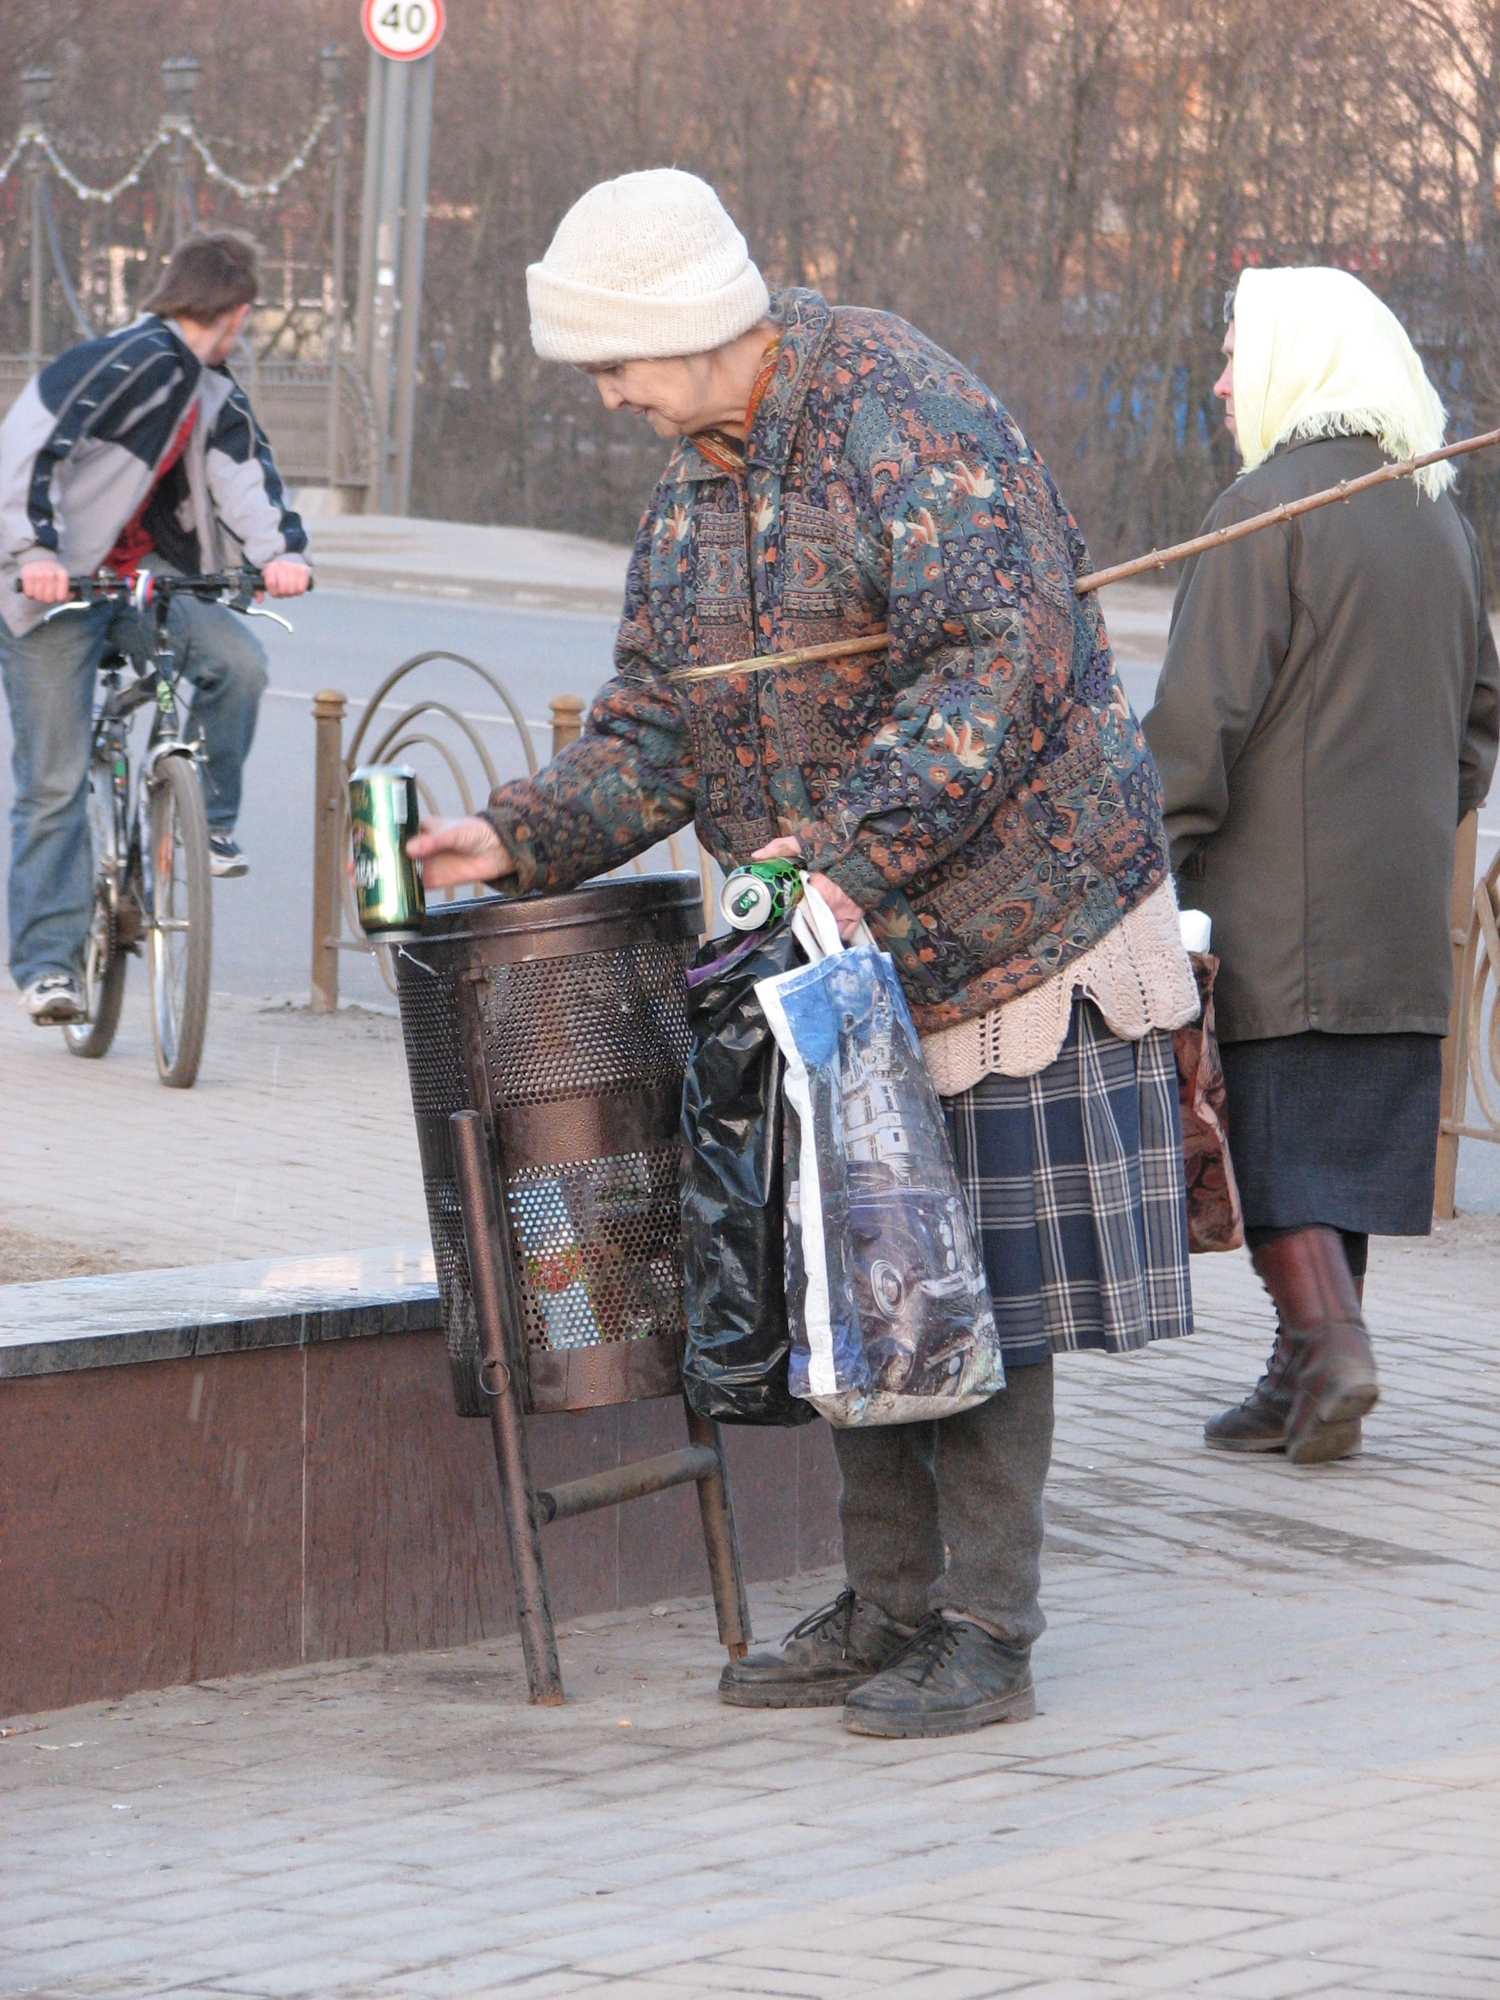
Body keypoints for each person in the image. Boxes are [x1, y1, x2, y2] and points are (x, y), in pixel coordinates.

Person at [414, 168, 1200, 1737]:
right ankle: (886, 1605)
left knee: (969, 1291)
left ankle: (987, 1629)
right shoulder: (692, 480)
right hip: (839, 941)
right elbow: (657, 721)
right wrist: (525, 833)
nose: (610, 393)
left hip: (1004, 934)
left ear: (696, 328)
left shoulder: (901, 413)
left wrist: (836, 849)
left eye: (616, 361)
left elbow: (1002, 665)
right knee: (855, 1281)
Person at [1143, 267, 1499, 1465]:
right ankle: (1301, 1376)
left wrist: (1151, 864)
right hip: (1396, 909)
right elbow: (1480, 724)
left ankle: (1334, 1345)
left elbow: (1199, 720)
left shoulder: (1265, 509)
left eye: (1239, 352)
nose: (1223, 378)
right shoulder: (1437, 515)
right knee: (1337, 1139)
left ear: (1301, 360)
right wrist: (1407, 832)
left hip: (1272, 911)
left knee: (1277, 1144)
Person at [0, 229, 310, 1025]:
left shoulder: (209, 391)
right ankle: (47, 968)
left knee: (236, 665)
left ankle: (208, 822)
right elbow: (29, 452)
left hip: (139, 583)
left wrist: (280, 555)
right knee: (55, 781)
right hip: (52, 586)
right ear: (236, 311)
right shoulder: (119, 363)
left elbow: (247, 477)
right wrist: (34, 550)